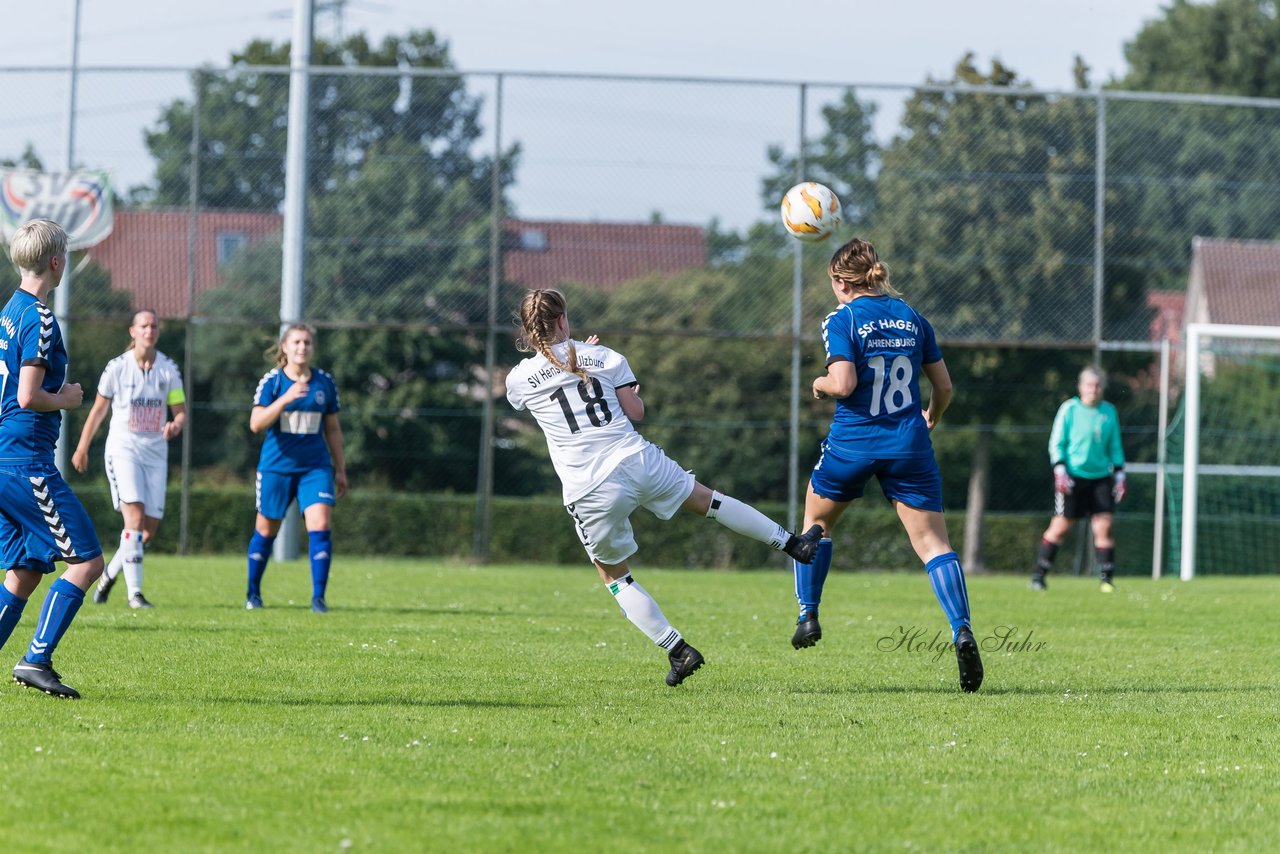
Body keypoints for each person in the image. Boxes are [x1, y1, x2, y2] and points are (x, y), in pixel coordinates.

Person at [506, 289, 822, 688]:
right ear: (564, 319)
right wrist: (591, 363)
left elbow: (546, 383)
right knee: (710, 502)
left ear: (528, 330)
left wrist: (571, 360)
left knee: (614, 576)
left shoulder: (517, 379)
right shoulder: (606, 357)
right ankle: (794, 544)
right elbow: (634, 412)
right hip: (635, 459)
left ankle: (679, 651)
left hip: (589, 487)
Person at [789, 237, 983, 693]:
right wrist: (931, 416)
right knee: (934, 544)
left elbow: (843, 382)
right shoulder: (912, 317)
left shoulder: (843, 318)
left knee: (816, 524)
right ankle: (961, 629)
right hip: (908, 445)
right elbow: (945, 387)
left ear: (840, 282)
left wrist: (819, 384)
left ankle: (808, 615)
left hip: (854, 444)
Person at [0, 219, 106, 699]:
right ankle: (36, 659)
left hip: (5, 457)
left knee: (24, 568)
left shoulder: (8, 311)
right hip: (25, 462)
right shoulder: (40, 317)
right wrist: (67, 398)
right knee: (87, 561)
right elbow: (27, 396)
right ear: (57, 262)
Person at [72, 310, 186, 609]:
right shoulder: (117, 368)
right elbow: (98, 411)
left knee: (146, 531)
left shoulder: (168, 369)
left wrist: (176, 425)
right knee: (133, 519)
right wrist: (82, 446)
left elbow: (180, 411)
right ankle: (135, 594)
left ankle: (109, 574)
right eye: (144, 325)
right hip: (124, 449)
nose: (150, 330)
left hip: (156, 453)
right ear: (132, 331)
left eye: (154, 326)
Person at [245, 323, 347, 613]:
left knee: (321, 525)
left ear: (313, 348)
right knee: (266, 530)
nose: (302, 347)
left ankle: (318, 598)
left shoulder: (324, 383)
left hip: (315, 467)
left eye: (307, 343)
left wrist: (340, 468)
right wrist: (286, 399)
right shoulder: (273, 382)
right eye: (297, 342)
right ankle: (253, 594)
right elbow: (256, 423)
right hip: (276, 467)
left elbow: (334, 430)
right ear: (285, 348)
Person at [1030, 366, 1126, 593]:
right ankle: (1038, 575)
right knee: (1061, 526)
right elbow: (1057, 441)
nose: (1094, 389)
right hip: (1072, 477)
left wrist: (1120, 473)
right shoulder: (1069, 409)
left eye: (1098, 385)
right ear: (1081, 387)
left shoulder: (1109, 412)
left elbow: (1115, 445)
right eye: (1090, 385)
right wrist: (1060, 469)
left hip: (1101, 477)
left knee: (1104, 525)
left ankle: (1106, 579)